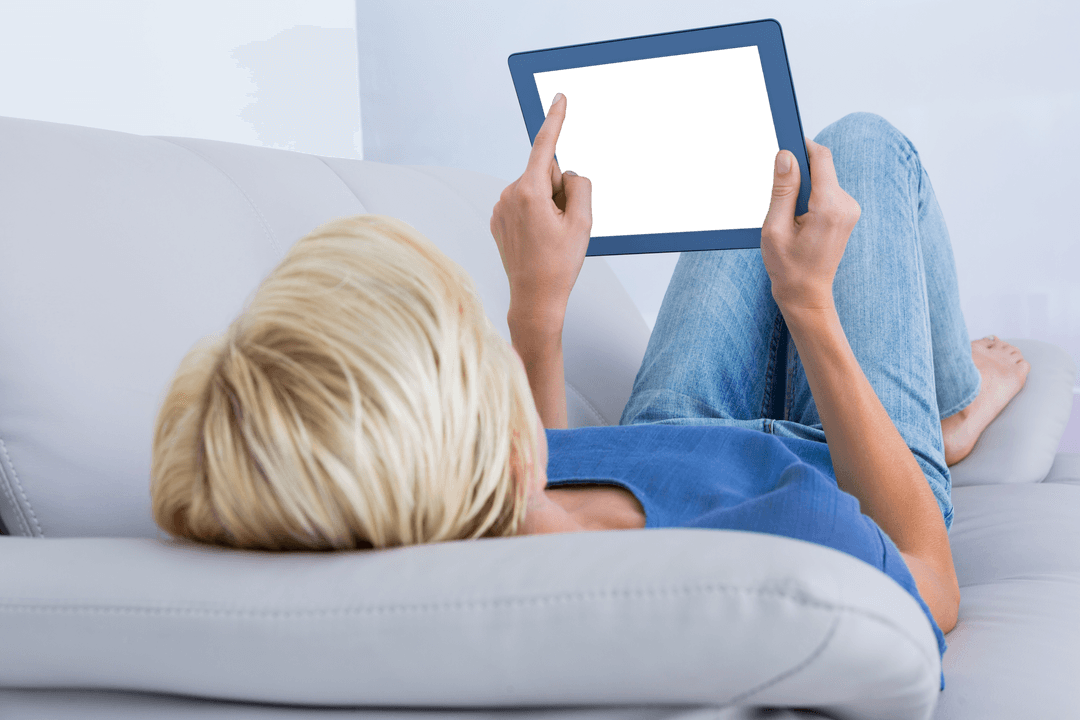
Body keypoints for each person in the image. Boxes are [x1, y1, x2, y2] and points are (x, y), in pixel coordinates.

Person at [151, 93, 1029, 675]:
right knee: (861, 146)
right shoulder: (779, 549)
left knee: (766, 171)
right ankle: (945, 424)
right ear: (473, 439)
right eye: (470, 353)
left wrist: (538, 310)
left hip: (670, 428)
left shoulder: (472, 522)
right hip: (850, 473)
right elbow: (932, 586)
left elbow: (545, 476)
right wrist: (810, 310)